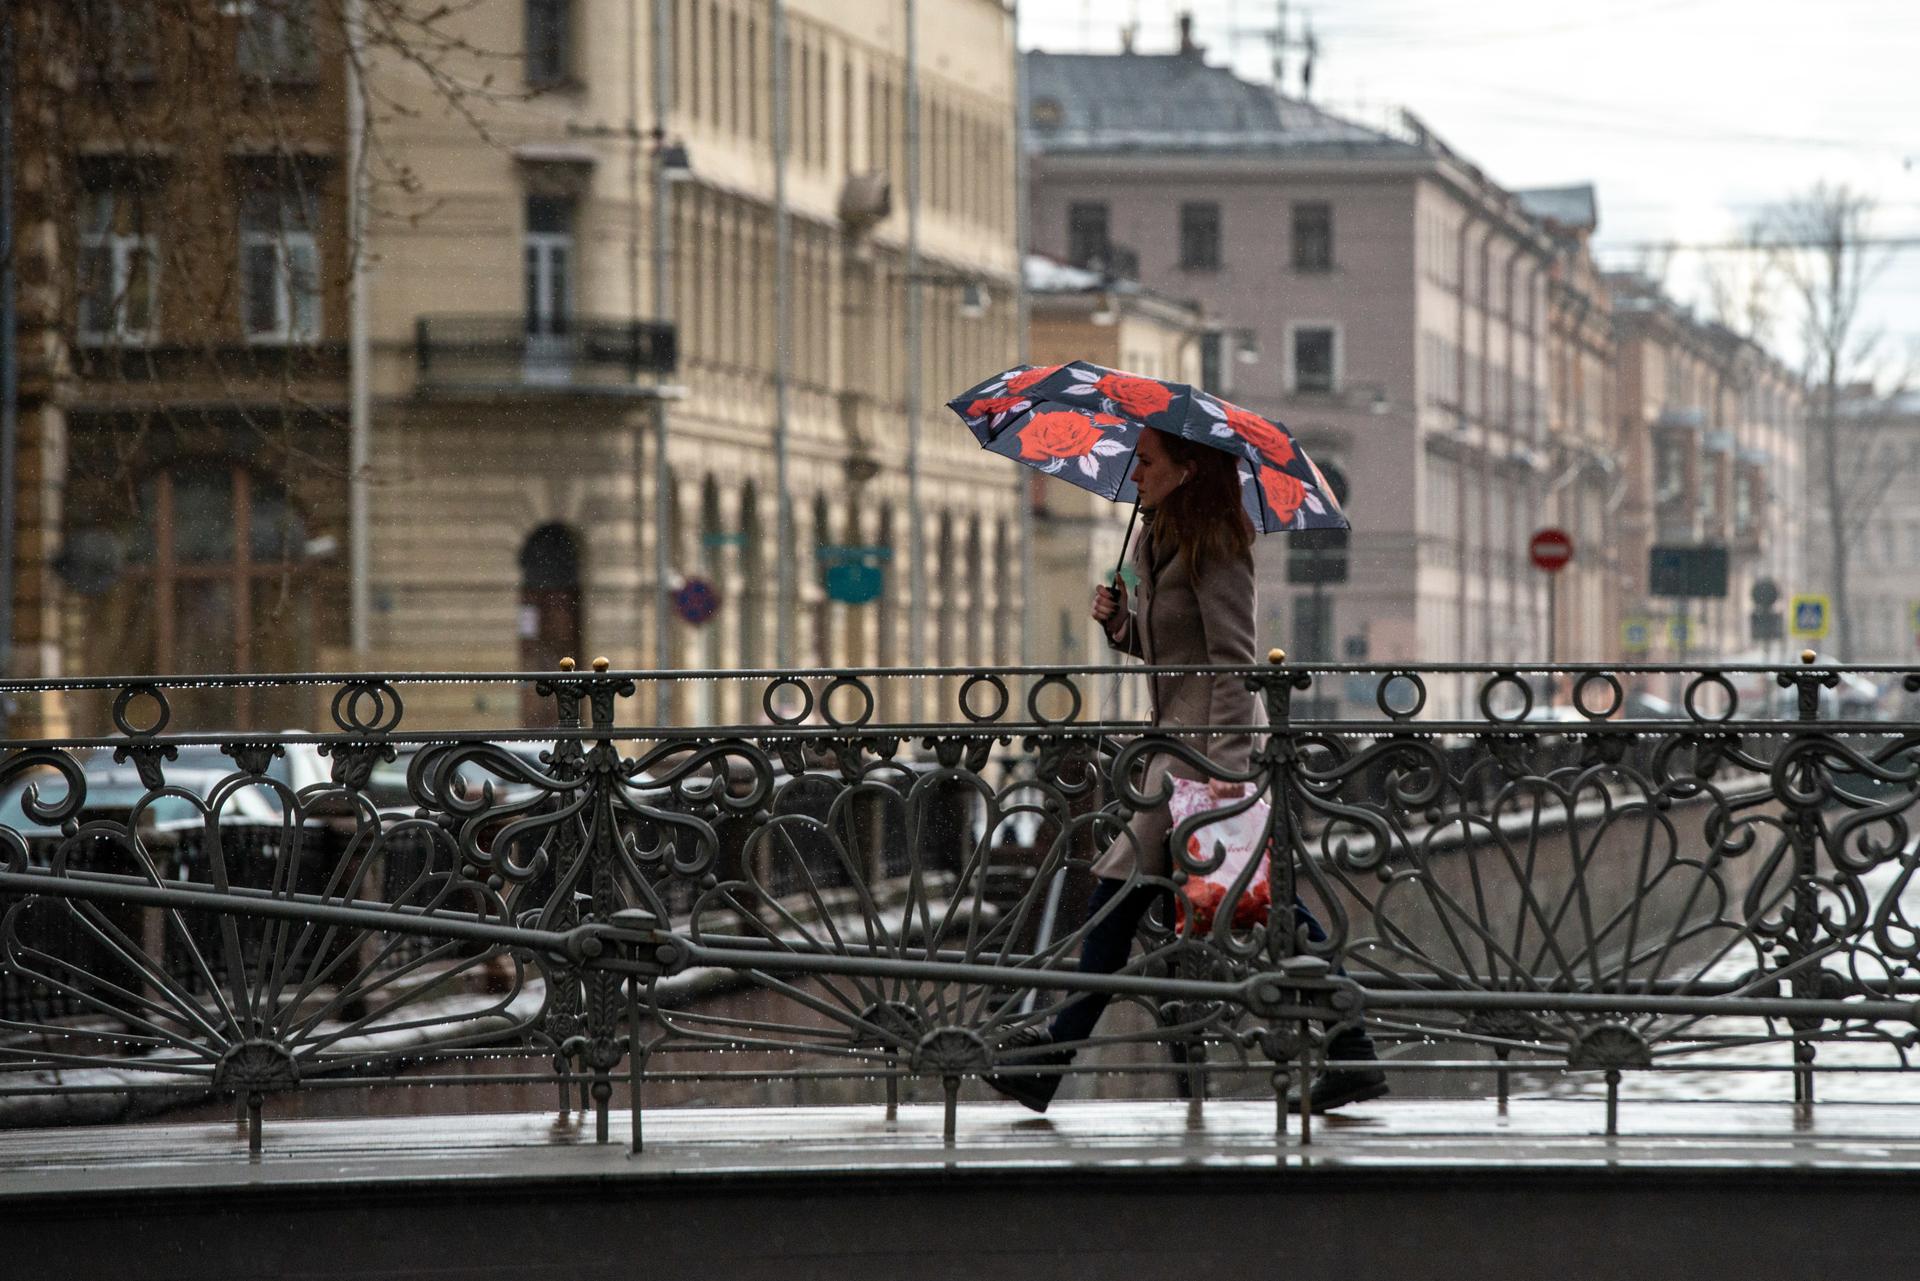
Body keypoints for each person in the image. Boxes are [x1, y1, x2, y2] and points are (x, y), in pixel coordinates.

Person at [986, 426, 1386, 1114]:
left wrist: (1226, 765)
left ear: (1187, 468)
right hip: (1170, 754)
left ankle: (1052, 1056)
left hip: (1196, 760)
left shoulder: (1218, 547)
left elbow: (1232, 659)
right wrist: (1119, 626)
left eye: (1146, 461)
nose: (1133, 473)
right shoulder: (1155, 539)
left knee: (1160, 898)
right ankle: (1351, 1047)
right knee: (1250, 902)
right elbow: (1172, 647)